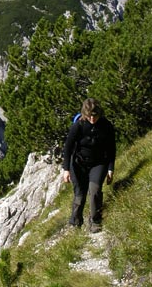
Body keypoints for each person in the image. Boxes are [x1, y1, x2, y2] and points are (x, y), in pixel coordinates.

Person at [62, 98, 116, 233]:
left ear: (100, 114)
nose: (92, 119)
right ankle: (75, 222)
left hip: (98, 163)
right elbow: (68, 147)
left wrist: (110, 168)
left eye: (95, 116)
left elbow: (111, 148)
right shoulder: (78, 126)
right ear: (85, 114)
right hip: (79, 164)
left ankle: (95, 221)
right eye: (90, 116)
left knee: (95, 190)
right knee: (79, 194)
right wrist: (66, 169)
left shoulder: (106, 126)